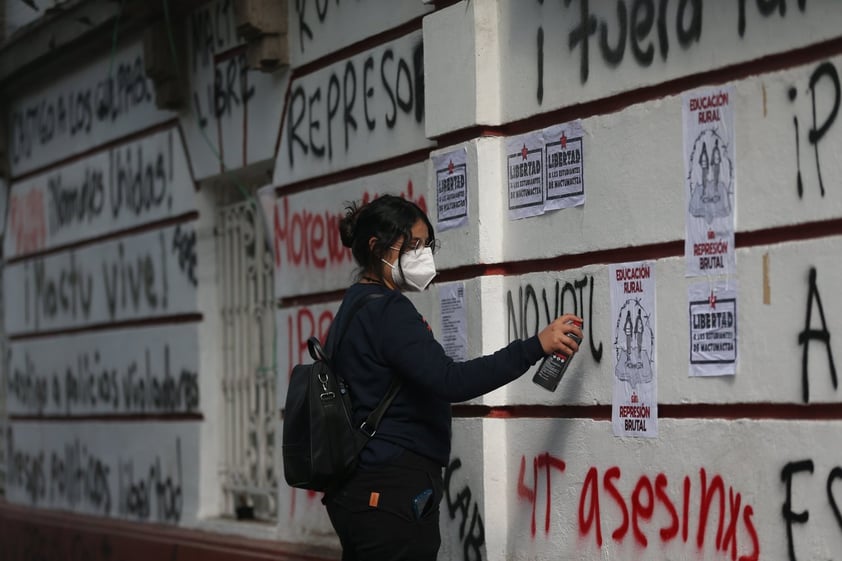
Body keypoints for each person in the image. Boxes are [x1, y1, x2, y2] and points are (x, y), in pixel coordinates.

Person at [323, 194, 583, 561]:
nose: (422, 255)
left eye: (426, 245)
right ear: (375, 246)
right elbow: (451, 380)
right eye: (412, 245)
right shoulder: (388, 311)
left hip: (361, 490)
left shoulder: (355, 304)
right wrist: (534, 347)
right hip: (390, 493)